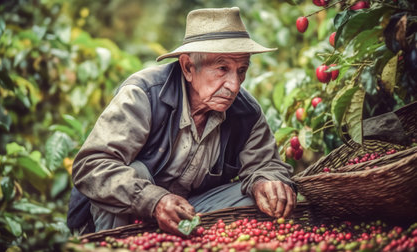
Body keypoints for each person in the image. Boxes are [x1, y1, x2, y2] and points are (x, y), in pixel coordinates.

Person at [67, 7, 296, 236]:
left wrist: (267, 181)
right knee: (134, 171)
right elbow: (92, 165)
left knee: (264, 197)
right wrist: (154, 201)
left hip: (191, 209)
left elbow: (267, 164)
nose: (234, 85)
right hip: (128, 213)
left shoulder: (246, 112)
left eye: (241, 70)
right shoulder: (144, 94)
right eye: (222, 69)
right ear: (188, 67)